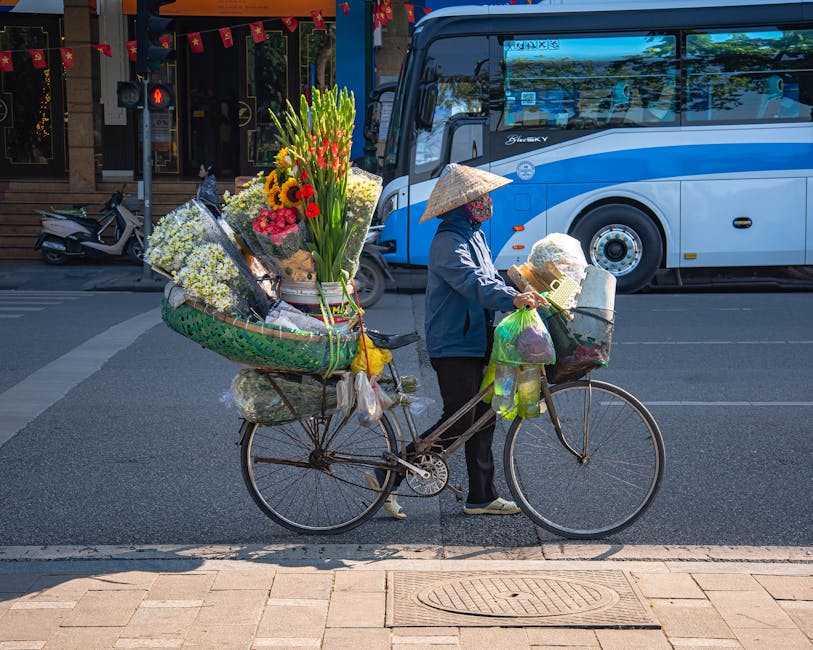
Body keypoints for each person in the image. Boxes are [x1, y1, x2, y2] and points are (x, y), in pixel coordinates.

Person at [366, 164, 546, 519]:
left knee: (482, 416)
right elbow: (473, 283)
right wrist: (509, 299)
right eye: (480, 198)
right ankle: (387, 473)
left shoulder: (474, 235)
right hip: (454, 343)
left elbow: (488, 276)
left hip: (476, 337)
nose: (487, 202)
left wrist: (521, 284)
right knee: (460, 419)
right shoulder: (448, 242)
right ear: (463, 205)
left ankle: (482, 496)